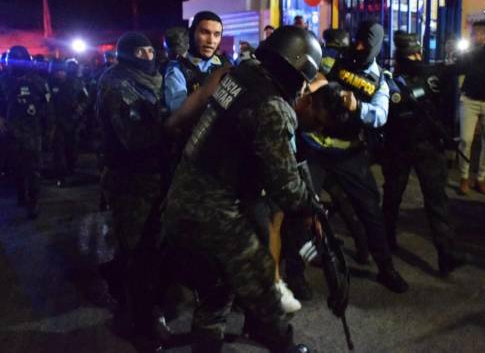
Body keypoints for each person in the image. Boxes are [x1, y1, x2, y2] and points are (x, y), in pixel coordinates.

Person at [161, 26, 320, 353]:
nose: (304, 87)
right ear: (291, 68)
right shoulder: (273, 106)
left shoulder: (240, 75)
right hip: (217, 210)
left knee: (217, 287)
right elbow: (287, 189)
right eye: (303, 78)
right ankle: (284, 346)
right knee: (261, 282)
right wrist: (311, 206)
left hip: (184, 195)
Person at [291, 21, 409, 297]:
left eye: (364, 45)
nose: (358, 48)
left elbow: (380, 116)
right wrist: (321, 86)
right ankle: (296, 274)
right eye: (356, 41)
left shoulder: (380, 80)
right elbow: (311, 77)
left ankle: (386, 267)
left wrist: (358, 107)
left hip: (349, 153)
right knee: (301, 210)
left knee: (370, 210)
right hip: (315, 147)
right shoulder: (335, 59)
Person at [96, 32, 171, 338]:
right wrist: (174, 126)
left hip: (156, 175)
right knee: (140, 251)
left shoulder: (153, 79)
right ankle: (142, 323)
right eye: (141, 52)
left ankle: (117, 276)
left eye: (151, 50)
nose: (148, 56)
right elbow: (134, 137)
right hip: (130, 179)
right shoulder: (117, 84)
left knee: (151, 245)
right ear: (128, 54)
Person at [381, 31, 460, 276]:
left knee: (418, 198)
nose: (417, 57)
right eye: (413, 54)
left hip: (414, 146)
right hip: (409, 147)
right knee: (405, 198)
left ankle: (443, 254)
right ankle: (390, 243)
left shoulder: (408, 77)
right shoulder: (397, 81)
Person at [0, 46, 52, 219]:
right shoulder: (3, 81)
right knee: (16, 167)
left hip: (33, 132)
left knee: (34, 169)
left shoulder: (38, 82)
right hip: (10, 132)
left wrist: (48, 130)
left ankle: (33, 202)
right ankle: (21, 194)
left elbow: (47, 108)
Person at [455, 20, 485, 195]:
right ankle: (464, 177)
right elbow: (459, 68)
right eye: (472, 33)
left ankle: (481, 178)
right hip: (469, 99)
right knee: (465, 140)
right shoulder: (470, 52)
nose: (472, 36)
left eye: (476, 33)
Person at [163, 11, 227, 113]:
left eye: (216, 34)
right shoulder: (178, 68)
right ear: (192, 33)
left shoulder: (225, 64)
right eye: (205, 32)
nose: (211, 41)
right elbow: (179, 112)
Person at [48, 58, 89, 186]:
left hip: (73, 121)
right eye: (57, 71)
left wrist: (80, 109)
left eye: (62, 71)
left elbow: (87, 99)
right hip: (57, 121)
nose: (59, 74)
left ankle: (71, 168)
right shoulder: (50, 84)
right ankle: (61, 174)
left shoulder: (76, 83)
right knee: (58, 149)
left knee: (71, 147)